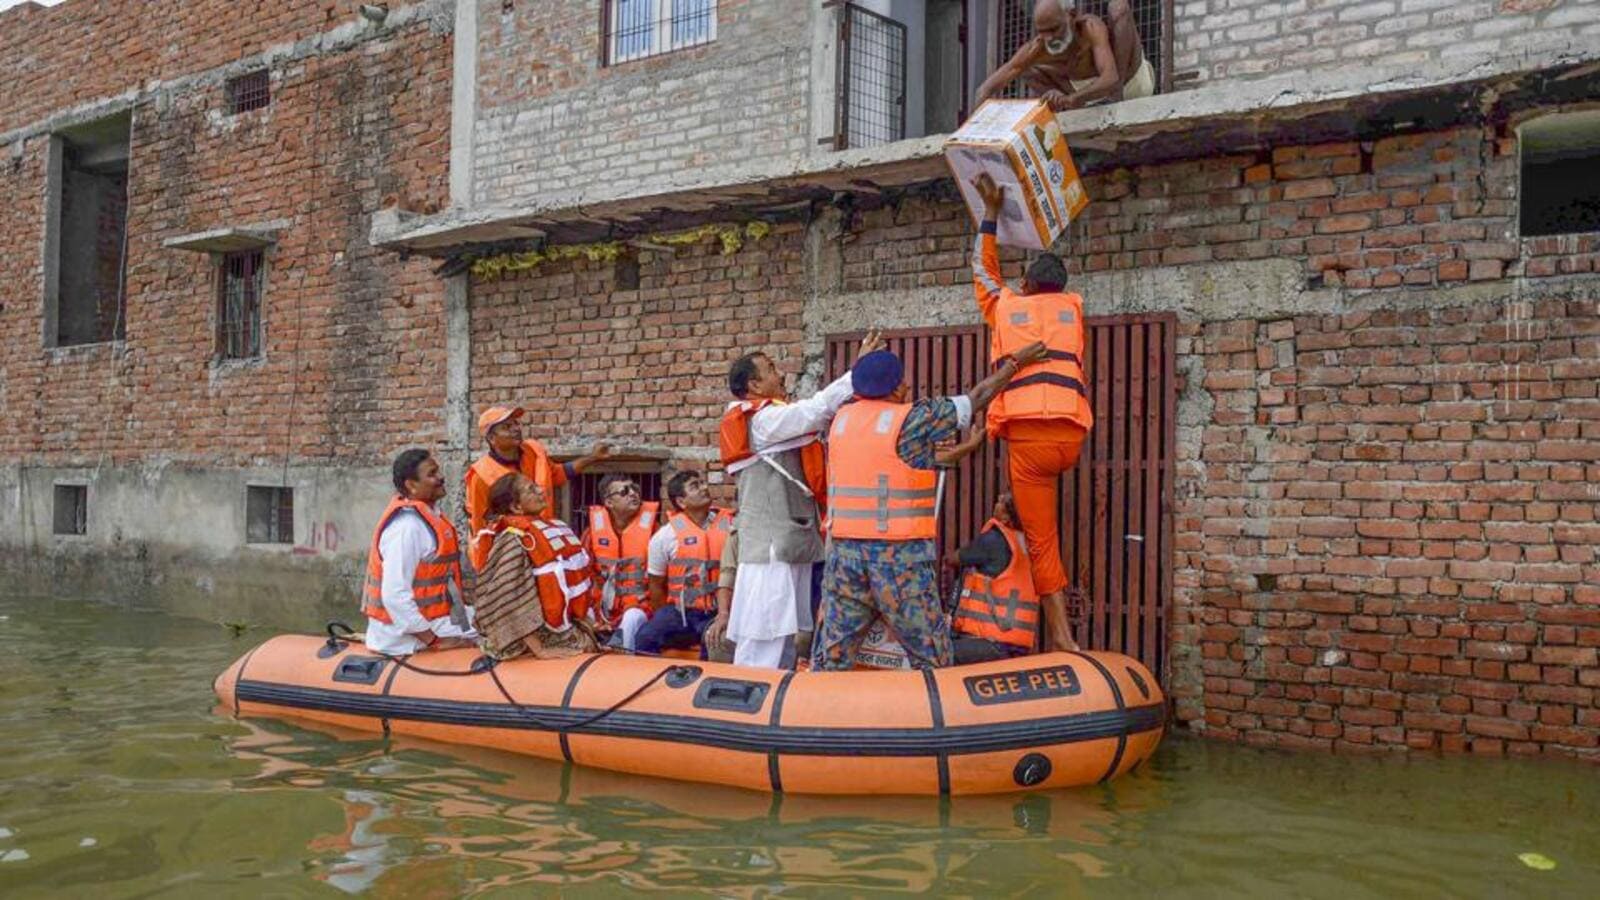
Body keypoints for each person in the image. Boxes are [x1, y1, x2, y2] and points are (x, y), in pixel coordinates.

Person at [811, 342, 1048, 671]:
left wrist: (964, 450)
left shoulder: (841, 420)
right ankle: (940, 715)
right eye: (904, 382)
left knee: (833, 656)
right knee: (931, 656)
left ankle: (819, 712)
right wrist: (1014, 365)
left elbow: (902, 463)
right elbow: (975, 399)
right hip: (899, 561)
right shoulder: (912, 418)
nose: (908, 387)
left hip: (843, 559)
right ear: (896, 388)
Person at [970, 172, 1092, 653]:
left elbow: (981, 268)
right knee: (1040, 523)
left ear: (1024, 284)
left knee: (1042, 541)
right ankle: (1062, 638)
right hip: (1070, 438)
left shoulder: (1005, 308)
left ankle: (1063, 639)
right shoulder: (1072, 311)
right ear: (1062, 289)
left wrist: (991, 212)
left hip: (1029, 445)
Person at [718, 332, 883, 669]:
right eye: (771, 369)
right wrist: (857, 372)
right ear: (755, 385)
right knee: (765, 632)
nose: (781, 374)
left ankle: (776, 697)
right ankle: (752, 696)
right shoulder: (761, 422)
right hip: (770, 548)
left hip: (787, 543)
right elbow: (815, 411)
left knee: (784, 633)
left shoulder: (767, 417)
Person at [361, 448, 478, 655]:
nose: (441, 477)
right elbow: (395, 595)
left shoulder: (429, 518)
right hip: (406, 636)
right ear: (411, 485)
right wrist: (433, 641)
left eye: (438, 471)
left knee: (494, 622)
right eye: (432, 474)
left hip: (435, 620)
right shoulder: (407, 528)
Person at [473, 473, 601, 659]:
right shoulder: (514, 539)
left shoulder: (549, 527)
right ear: (516, 507)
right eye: (531, 489)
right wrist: (539, 650)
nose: (541, 491)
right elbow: (506, 597)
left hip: (564, 628)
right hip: (535, 639)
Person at [463, 405, 610, 547]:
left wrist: (593, 457)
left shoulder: (533, 450)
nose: (515, 429)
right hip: (514, 550)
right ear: (492, 439)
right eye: (507, 427)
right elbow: (479, 527)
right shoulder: (481, 475)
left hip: (543, 539)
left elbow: (557, 474)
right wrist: (486, 567)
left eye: (515, 424)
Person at [975, 0, 1152, 112]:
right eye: (1042, 32)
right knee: (1028, 70)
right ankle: (1059, 109)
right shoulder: (1037, 48)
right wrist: (975, 132)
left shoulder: (1090, 27)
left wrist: (1073, 99)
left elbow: (1110, 77)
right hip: (1088, 101)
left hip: (1129, 82)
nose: (1049, 38)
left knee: (1118, 7)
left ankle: (1114, 96)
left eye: (1054, 29)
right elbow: (984, 90)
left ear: (1072, 16)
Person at [636, 471, 734, 656]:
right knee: (645, 638)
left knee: (714, 642)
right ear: (681, 502)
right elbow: (656, 585)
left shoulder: (730, 527)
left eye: (703, 483)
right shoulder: (665, 536)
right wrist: (663, 614)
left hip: (719, 611)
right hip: (680, 613)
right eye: (695, 486)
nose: (704, 488)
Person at [947, 492, 1042, 664]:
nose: (997, 501)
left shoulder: (995, 540)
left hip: (989, 642)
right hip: (1018, 645)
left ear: (1006, 517)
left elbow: (954, 559)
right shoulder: (1028, 544)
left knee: (933, 653)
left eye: (1001, 502)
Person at [582, 473, 658, 650]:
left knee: (631, 619)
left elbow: (661, 578)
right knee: (581, 615)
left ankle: (623, 665)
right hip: (602, 608)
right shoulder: (591, 533)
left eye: (635, 489)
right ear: (609, 502)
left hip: (640, 606)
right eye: (624, 491)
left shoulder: (654, 532)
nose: (633, 494)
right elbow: (582, 575)